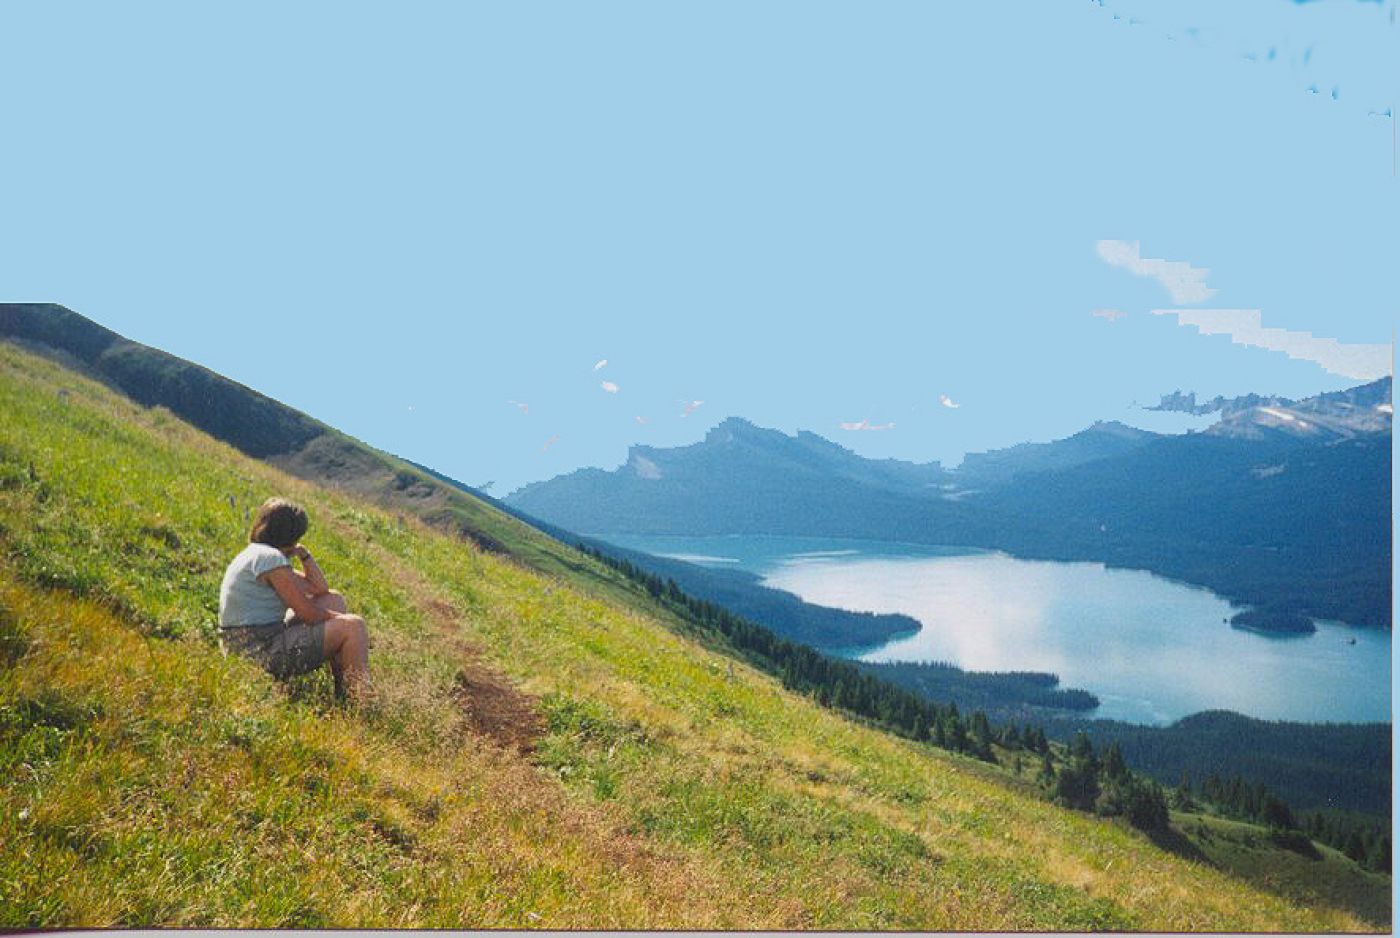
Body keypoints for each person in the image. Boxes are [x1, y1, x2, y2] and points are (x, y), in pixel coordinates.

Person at [218, 497, 371, 701]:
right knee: (354, 626)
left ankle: (344, 688)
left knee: (334, 600)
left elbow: (319, 589)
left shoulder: (260, 554)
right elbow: (308, 614)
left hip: (253, 640)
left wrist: (304, 554)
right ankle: (360, 702)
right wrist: (344, 622)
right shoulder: (270, 559)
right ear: (291, 534)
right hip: (256, 649)